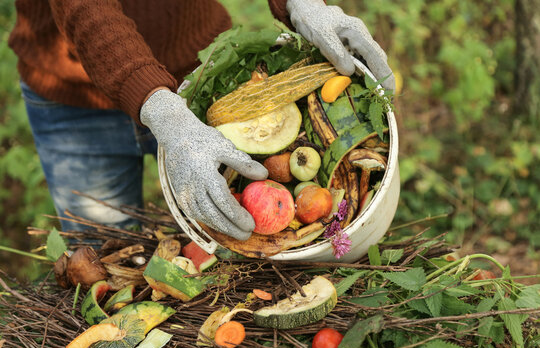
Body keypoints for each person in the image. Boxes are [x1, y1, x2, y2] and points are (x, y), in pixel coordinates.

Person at [8, 0, 394, 241]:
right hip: (76, 99)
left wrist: (302, 2)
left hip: (201, 75)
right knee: (102, 251)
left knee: (209, 255)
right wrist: (163, 112)